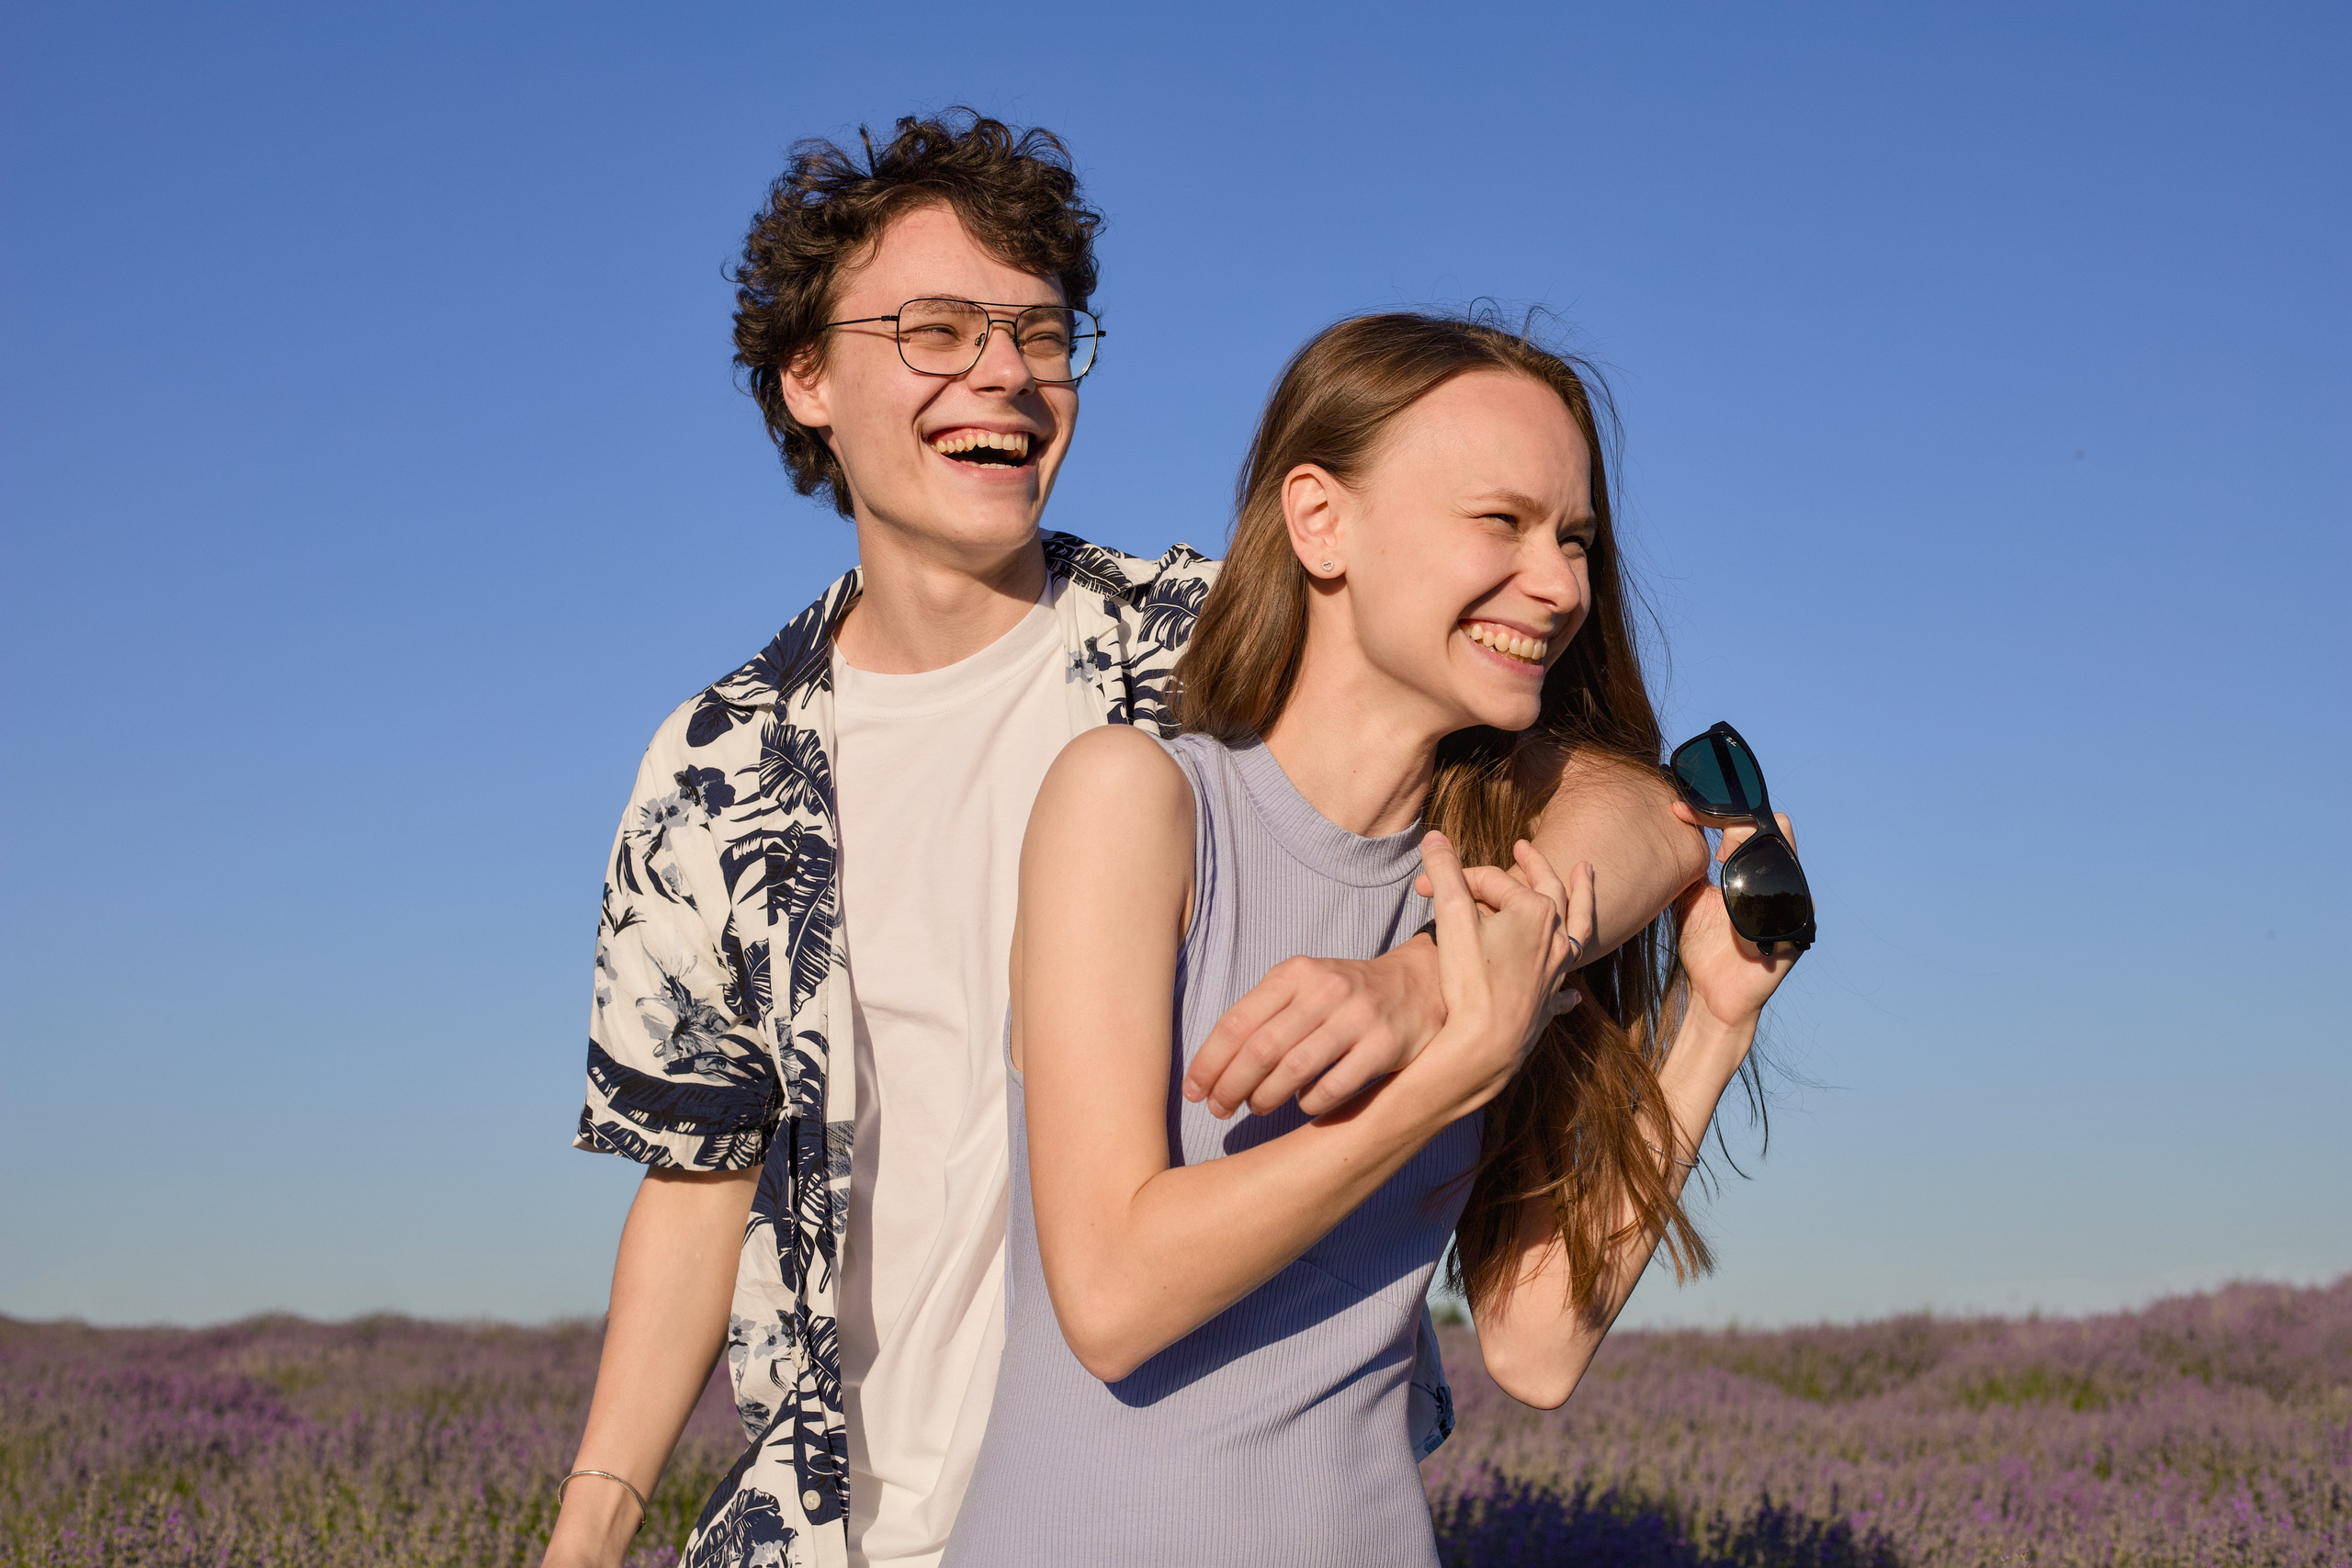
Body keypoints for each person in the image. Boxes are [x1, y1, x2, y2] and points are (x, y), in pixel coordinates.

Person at [543, 114, 1706, 1568]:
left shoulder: (1221, 641)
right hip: (843, 1524)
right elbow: (698, 1172)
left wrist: (1424, 991)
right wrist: (590, 1525)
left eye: (1040, 331)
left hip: (1185, 1485)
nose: (1004, 373)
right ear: (806, 378)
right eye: (938, 328)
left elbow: (1622, 798)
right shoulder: (714, 770)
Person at [944, 313, 1797, 1567]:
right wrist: (1452, 1063)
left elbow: (1537, 1345)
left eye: (1574, 540)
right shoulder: (1140, 804)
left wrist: (1713, 1018)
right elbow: (1115, 1298)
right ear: (1320, 522)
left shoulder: (1489, 893)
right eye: (1500, 523)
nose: (1560, 584)